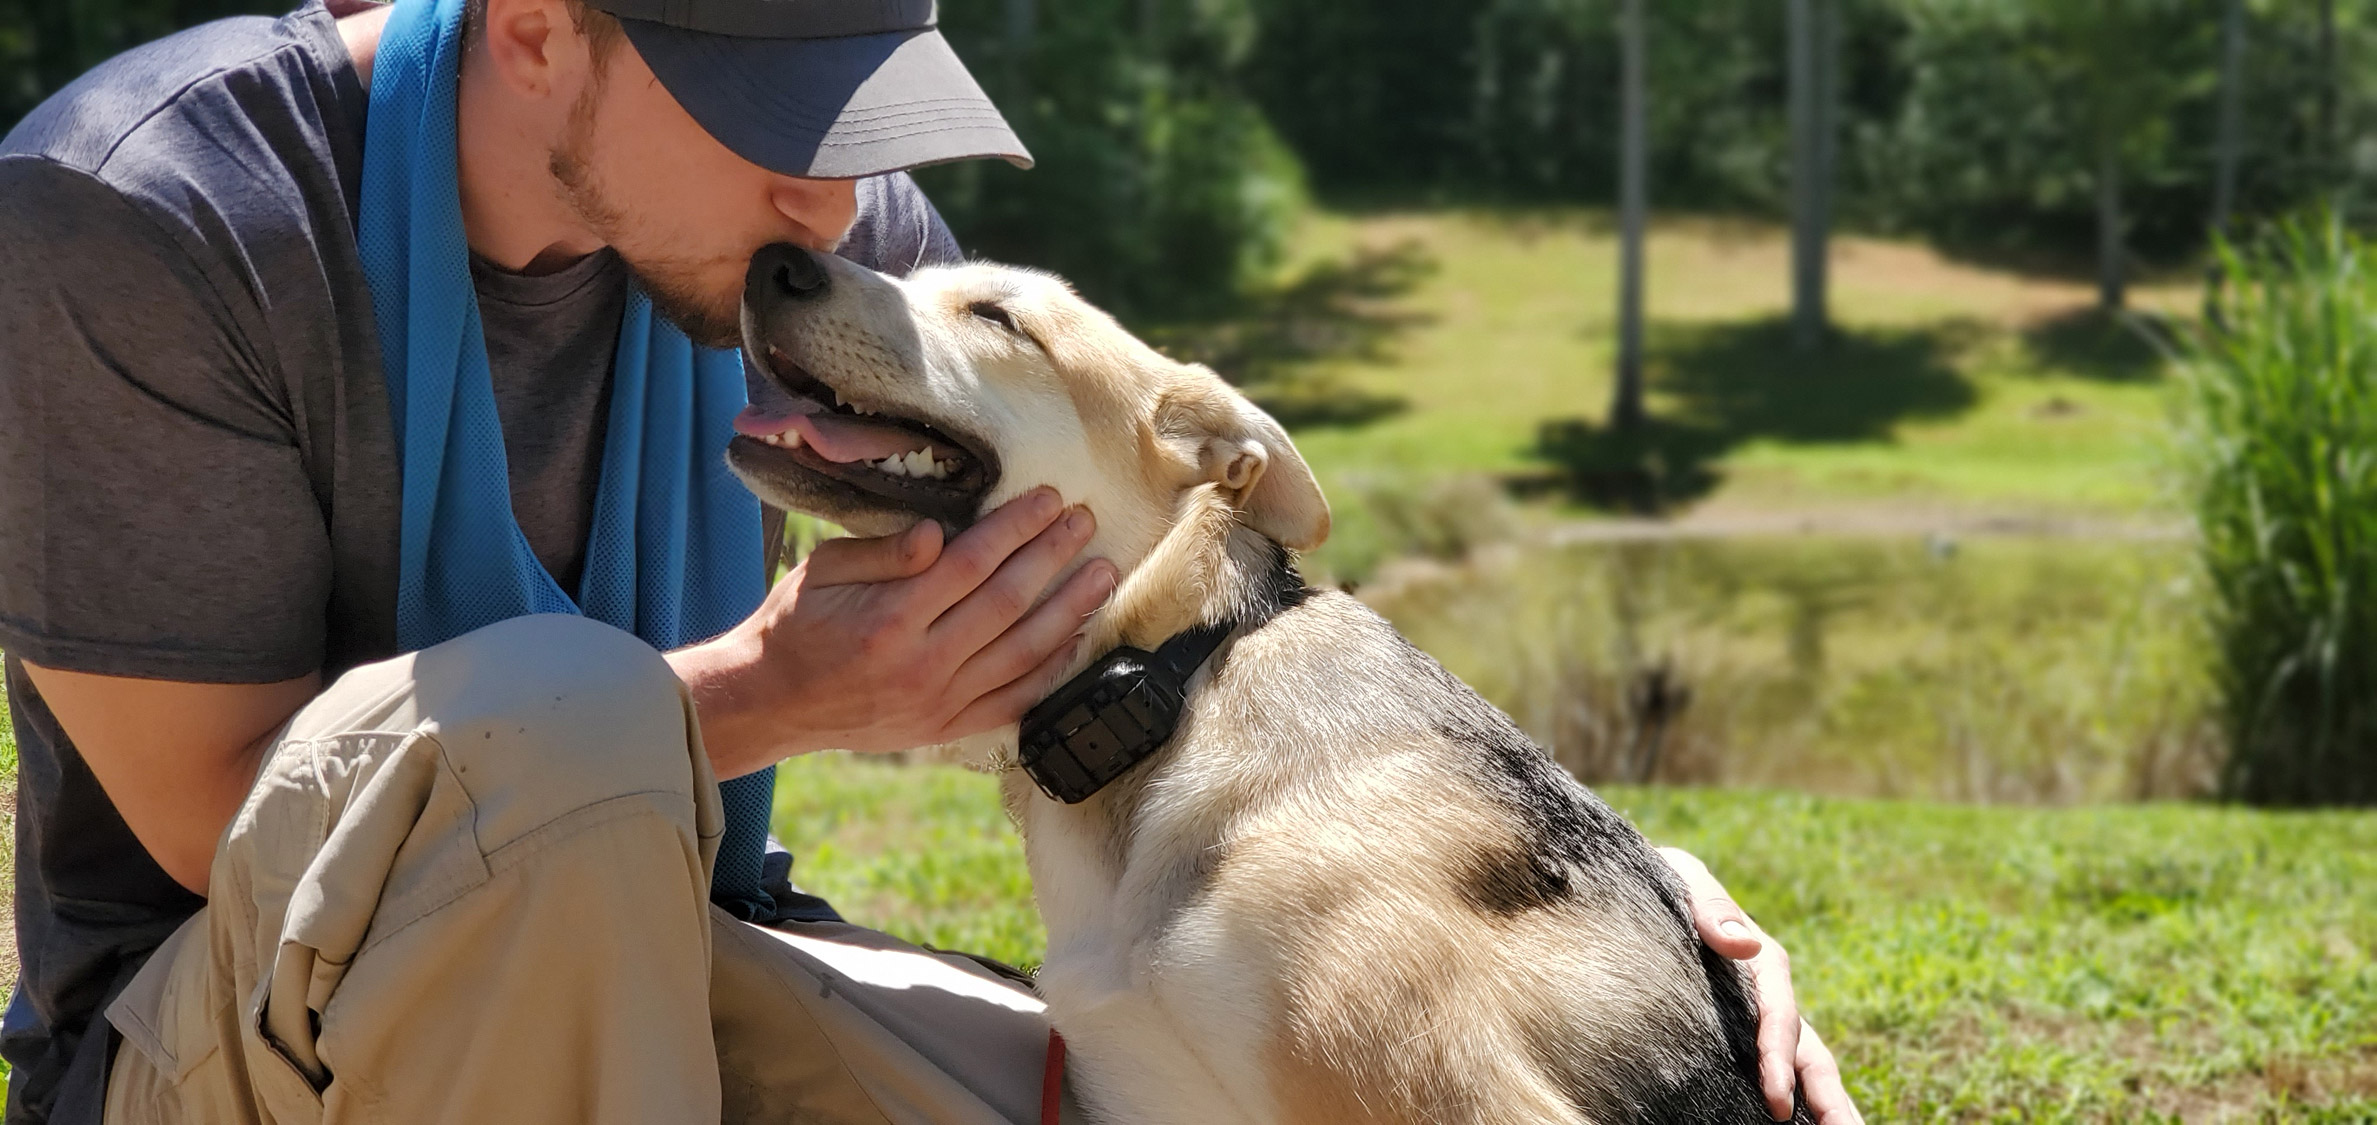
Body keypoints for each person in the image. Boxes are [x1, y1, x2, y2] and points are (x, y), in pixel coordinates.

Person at [0, 0, 1863, 1121]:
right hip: (233, 1051)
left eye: (860, 122)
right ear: (543, 26)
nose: (834, 206)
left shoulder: (801, 262)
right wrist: (775, 692)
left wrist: (1620, 911)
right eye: (776, 123)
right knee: (559, 722)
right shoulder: (143, 217)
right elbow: (213, 819)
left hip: (684, 947)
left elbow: (1134, 571)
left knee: (1168, 1080)